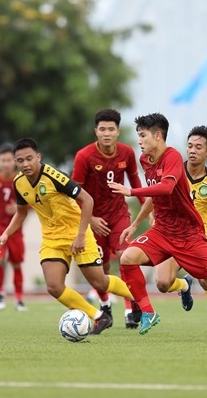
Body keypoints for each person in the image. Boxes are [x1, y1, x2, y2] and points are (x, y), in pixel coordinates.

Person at [109, 113, 207, 340]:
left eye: (143, 136)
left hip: (189, 236)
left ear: (158, 135)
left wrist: (131, 192)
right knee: (129, 259)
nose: (139, 141)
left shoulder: (172, 157)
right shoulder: (146, 160)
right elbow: (155, 196)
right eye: (139, 136)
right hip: (162, 231)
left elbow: (166, 188)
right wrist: (135, 224)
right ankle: (148, 312)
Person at [0, 138, 140, 335]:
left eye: (29, 158)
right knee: (54, 286)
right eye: (20, 161)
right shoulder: (19, 182)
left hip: (77, 233)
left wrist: (80, 236)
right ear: (15, 163)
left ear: (38, 157)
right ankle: (98, 316)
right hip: (52, 239)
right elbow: (21, 213)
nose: (25, 164)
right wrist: (5, 234)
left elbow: (87, 200)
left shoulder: (54, 177)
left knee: (100, 282)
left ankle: (139, 298)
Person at [154, 125, 207, 337]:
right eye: (190, 146)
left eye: (198, 147)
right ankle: (184, 285)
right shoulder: (173, 172)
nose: (192, 150)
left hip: (196, 238)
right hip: (170, 233)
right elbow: (157, 195)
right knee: (163, 283)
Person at [72, 108, 145, 329]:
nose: (106, 133)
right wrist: (91, 218)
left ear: (118, 131)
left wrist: (149, 210)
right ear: (96, 131)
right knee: (101, 270)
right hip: (95, 220)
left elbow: (135, 183)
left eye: (110, 129)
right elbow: (74, 193)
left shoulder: (127, 153)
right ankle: (105, 306)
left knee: (125, 256)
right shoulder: (84, 156)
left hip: (119, 214)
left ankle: (132, 308)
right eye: (102, 129)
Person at [0, 144, 27, 311]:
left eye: (9, 160)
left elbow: (31, 202)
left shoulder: (21, 180)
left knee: (16, 264)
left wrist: (19, 208)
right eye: (3, 160)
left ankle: (19, 299)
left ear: (15, 162)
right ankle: (0, 292)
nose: (6, 163)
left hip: (15, 230)